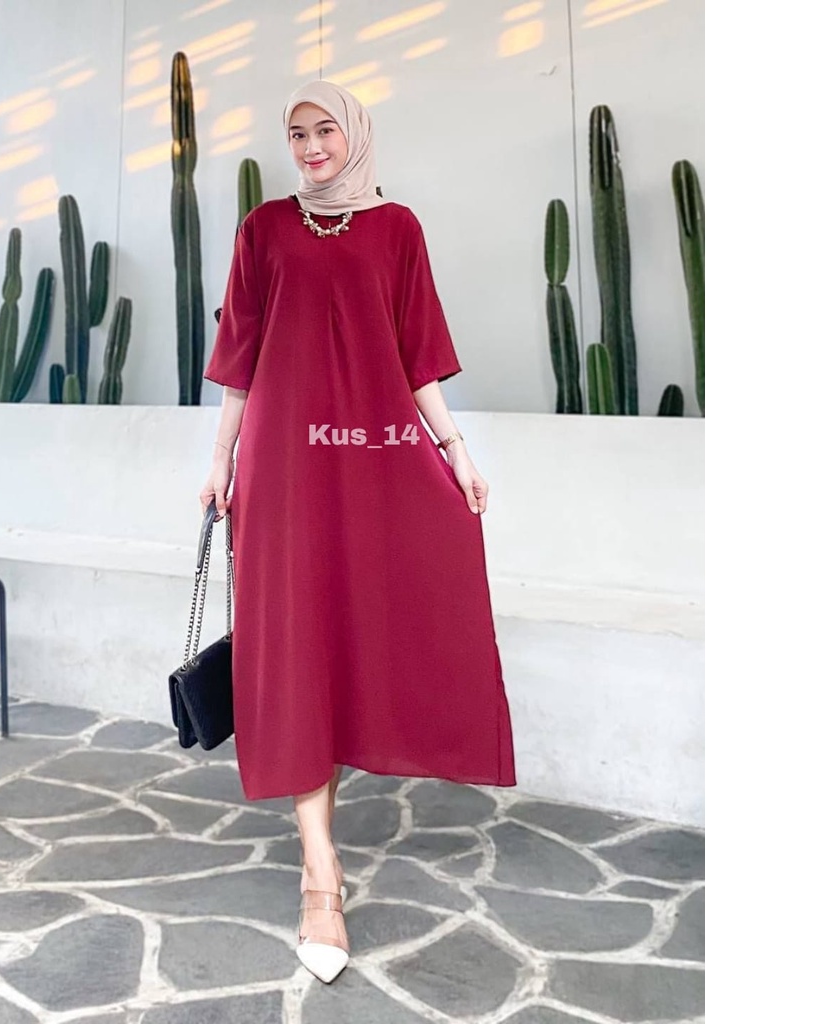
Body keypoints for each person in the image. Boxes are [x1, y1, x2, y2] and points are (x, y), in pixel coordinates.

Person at [199, 80, 516, 984]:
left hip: (374, 456)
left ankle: (326, 849)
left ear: (355, 134)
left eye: (324, 130)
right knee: (298, 643)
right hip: (282, 465)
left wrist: (456, 453)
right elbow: (241, 360)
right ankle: (320, 874)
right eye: (296, 133)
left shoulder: (398, 229)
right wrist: (220, 458)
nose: (309, 147)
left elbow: (418, 355)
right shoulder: (263, 230)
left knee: (353, 634)